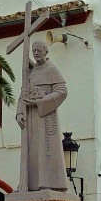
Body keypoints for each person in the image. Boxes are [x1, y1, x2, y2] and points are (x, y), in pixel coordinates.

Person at [16, 40, 68, 192]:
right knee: (31, 151)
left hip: (45, 116)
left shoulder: (51, 69)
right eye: (34, 50)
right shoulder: (31, 72)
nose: (36, 53)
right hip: (30, 118)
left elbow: (62, 90)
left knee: (46, 149)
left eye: (39, 50)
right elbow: (23, 93)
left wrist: (40, 102)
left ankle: (49, 184)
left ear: (46, 51)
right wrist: (20, 112)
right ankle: (28, 184)